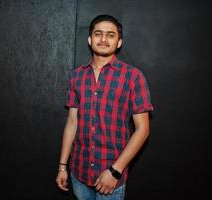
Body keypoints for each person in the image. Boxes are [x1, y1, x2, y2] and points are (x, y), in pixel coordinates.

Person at [55, 14, 154, 200]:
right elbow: (72, 122)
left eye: (110, 35)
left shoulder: (133, 77)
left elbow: (143, 130)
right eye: (98, 34)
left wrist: (115, 171)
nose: (103, 39)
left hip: (110, 177)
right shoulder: (77, 76)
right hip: (79, 173)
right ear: (90, 39)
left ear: (119, 42)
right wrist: (62, 166)